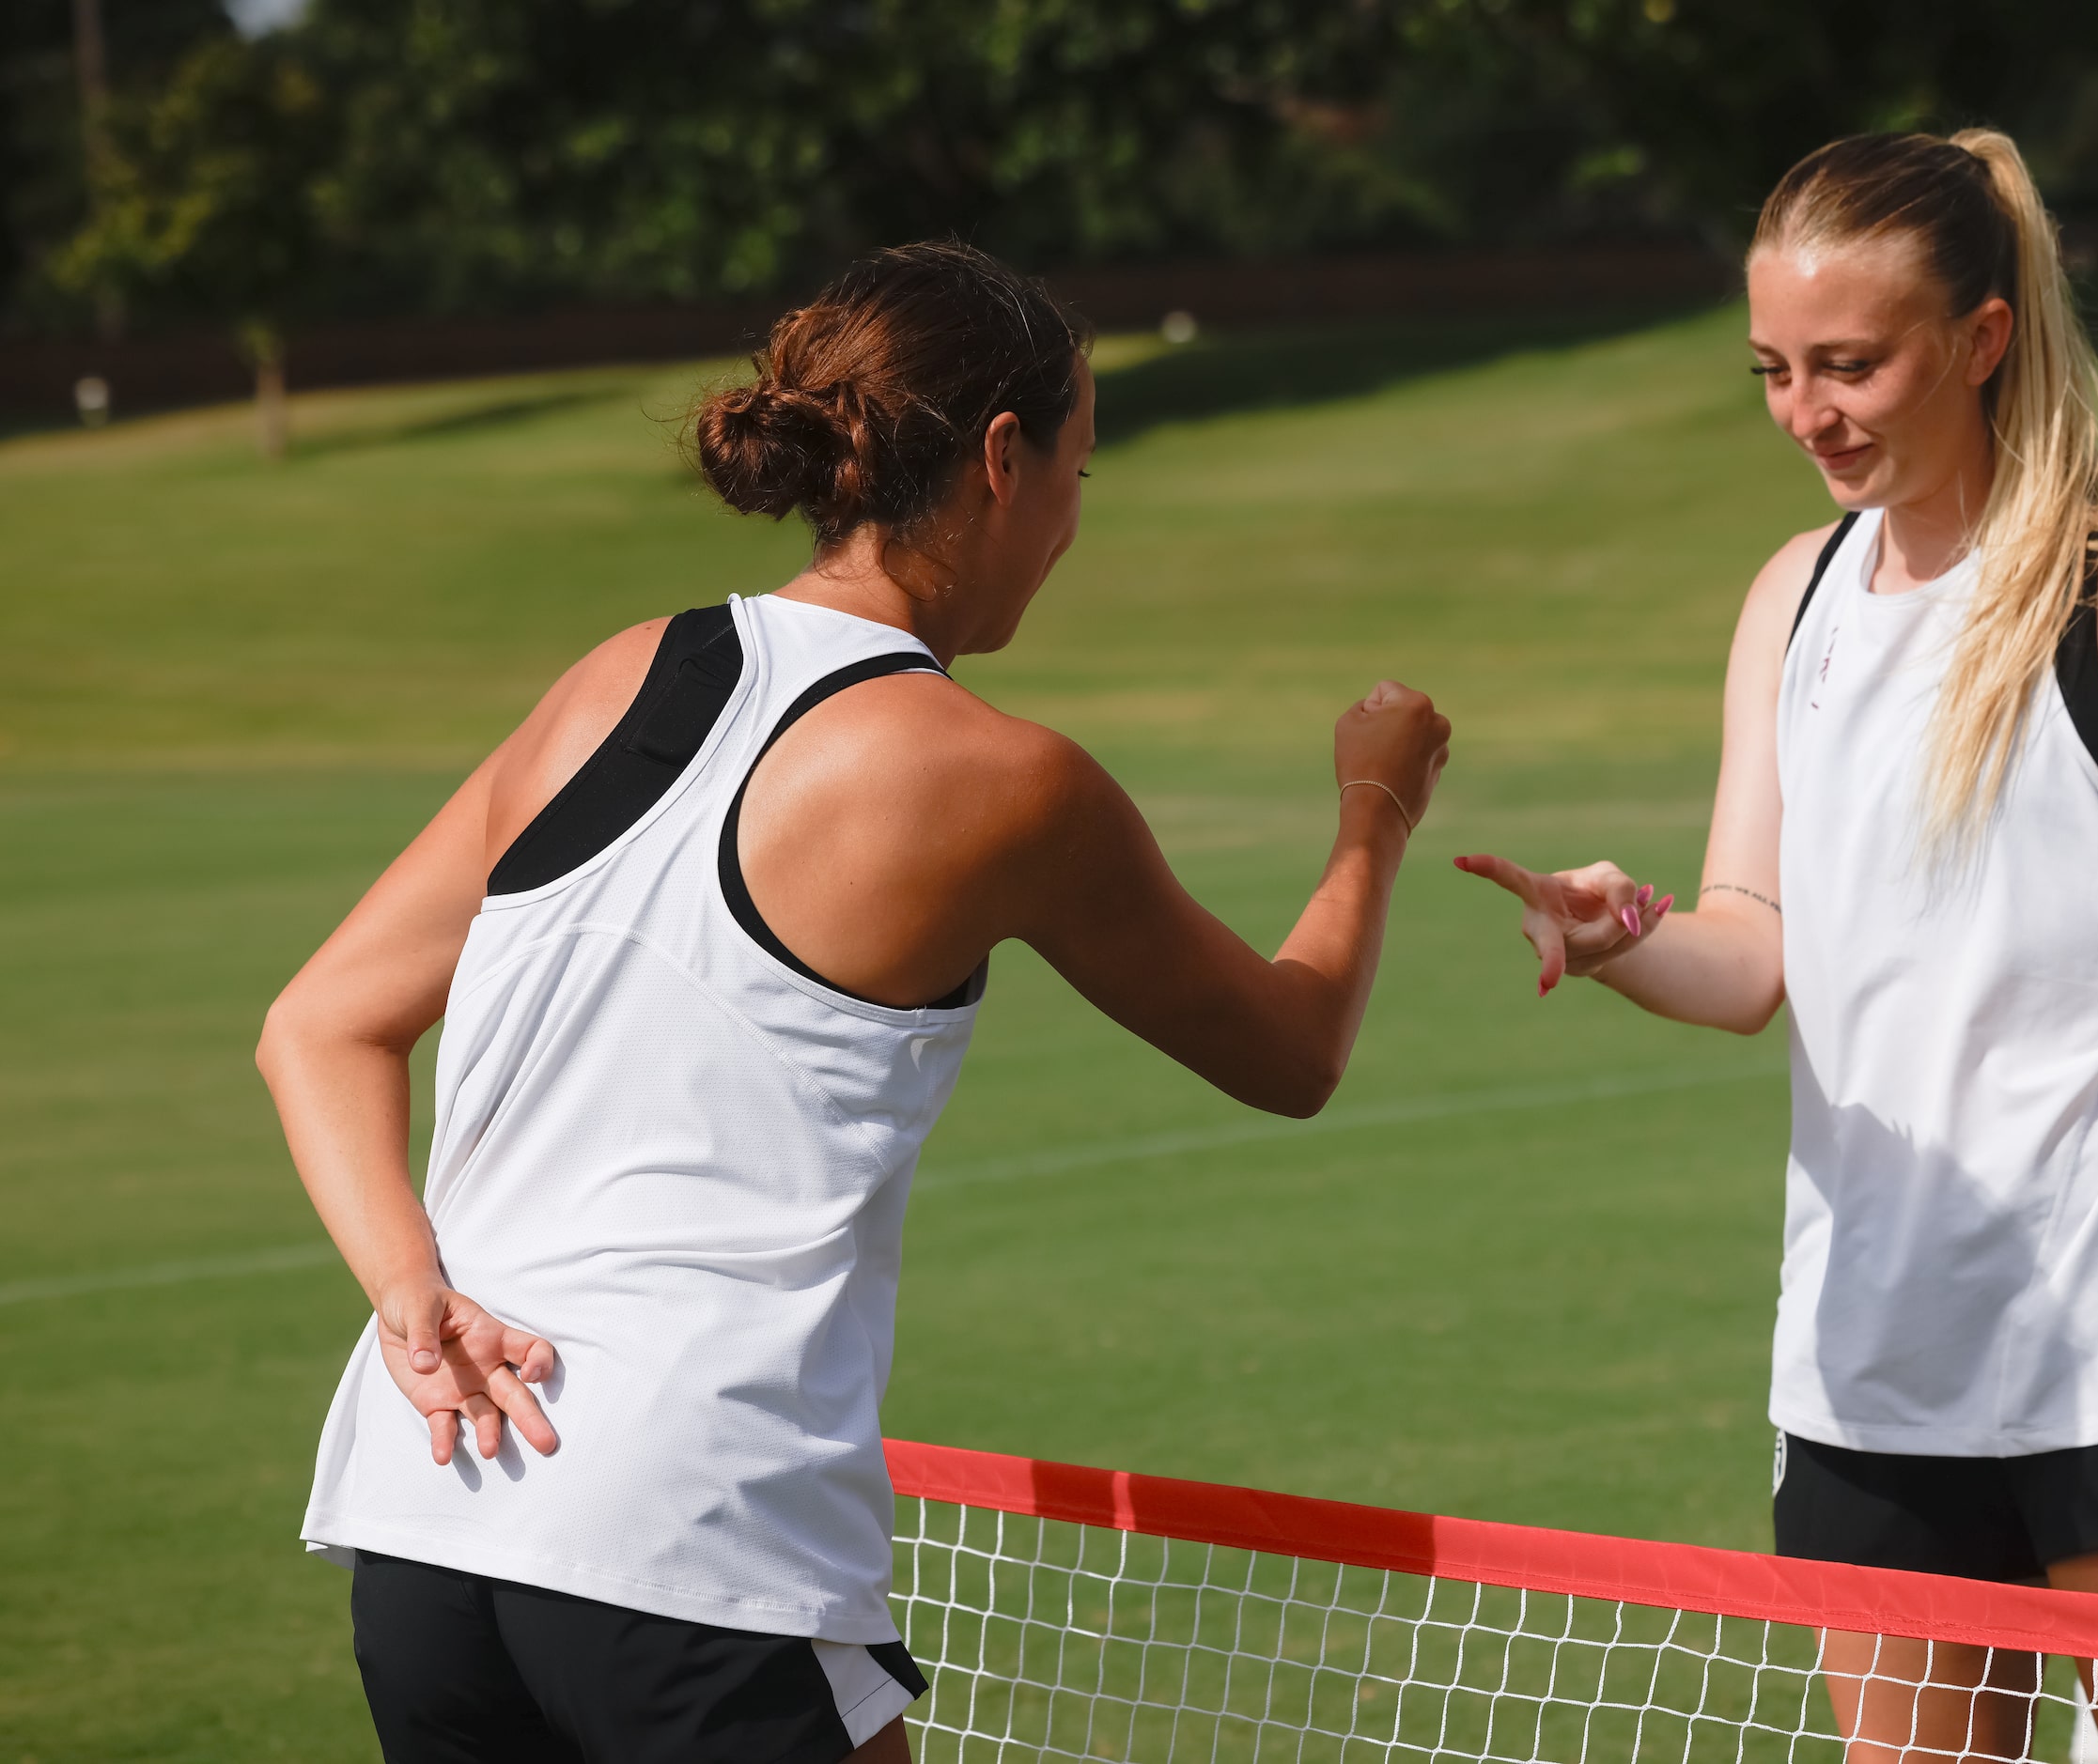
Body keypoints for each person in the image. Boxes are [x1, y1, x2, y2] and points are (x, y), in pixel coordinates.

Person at [257, 241, 1450, 1764]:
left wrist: (406, 1291)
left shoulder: (618, 672)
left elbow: (319, 1019)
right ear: (1001, 461)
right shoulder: (1003, 778)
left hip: (429, 1513)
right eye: (1082, 472)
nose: (1076, 525)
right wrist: (1374, 807)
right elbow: (1292, 1051)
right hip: (688, 1544)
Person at [1459, 130, 2098, 1764]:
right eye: (1773, 368)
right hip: (1873, 1370)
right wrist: (1615, 940)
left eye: (1851, 364)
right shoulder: (1790, 600)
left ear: (1983, 336)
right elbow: (1751, 953)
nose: (1807, 411)